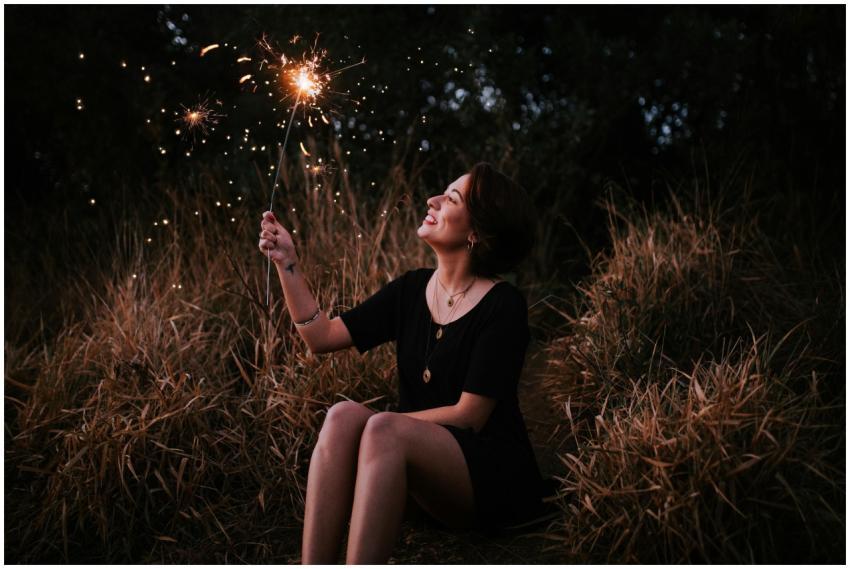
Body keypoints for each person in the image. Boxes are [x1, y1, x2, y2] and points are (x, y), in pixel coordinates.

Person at [258, 162, 547, 564]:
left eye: (452, 198)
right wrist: (287, 263)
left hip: (488, 478)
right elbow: (320, 337)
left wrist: (383, 428)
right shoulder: (411, 289)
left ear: (476, 231)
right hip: (418, 468)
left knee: (382, 427)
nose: (433, 200)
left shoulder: (503, 306)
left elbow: (470, 416)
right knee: (342, 415)